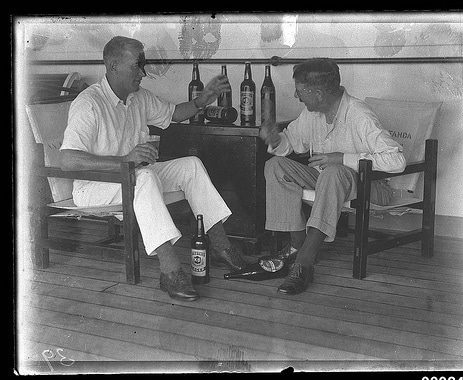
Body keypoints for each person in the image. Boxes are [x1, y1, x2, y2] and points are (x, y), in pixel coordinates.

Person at [60, 36, 247, 302]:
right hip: (94, 186)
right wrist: (125, 160)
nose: (143, 73)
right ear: (113, 66)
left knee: (190, 166)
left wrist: (203, 100)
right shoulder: (88, 103)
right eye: (137, 65)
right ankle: (170, 270)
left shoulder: (138, 98)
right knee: (145, 175)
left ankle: (222, 247)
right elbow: (67, 160)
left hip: (134, 177)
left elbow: (175, 114)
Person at [258, 58, 406, 295]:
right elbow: (291, 144)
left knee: (334, 171)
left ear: (318, 93)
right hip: (328, 181)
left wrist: (342, 158)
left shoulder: (359, 114)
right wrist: (276, 140)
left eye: (299, 92)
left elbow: (397, 160)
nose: (297, 97)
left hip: (372, 187)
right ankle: (299, 246)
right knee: (275, 166)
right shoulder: (312, 114)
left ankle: (303, 263)